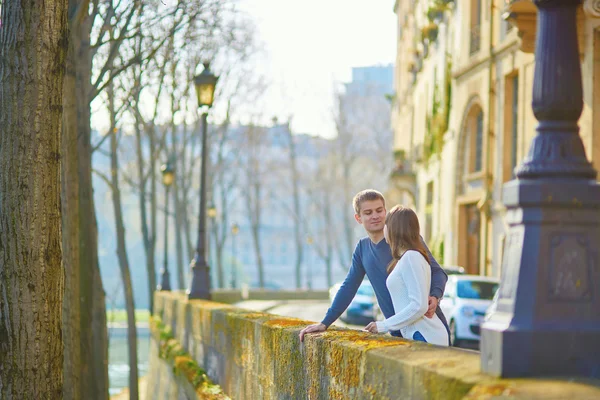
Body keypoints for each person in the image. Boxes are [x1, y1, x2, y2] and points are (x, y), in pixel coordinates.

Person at [299, 189, 449, 342]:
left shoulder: (406, 240)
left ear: (385, 211)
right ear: (358, 218)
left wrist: (435, 295)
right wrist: (325, 323)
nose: (375, 216)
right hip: (398, 331)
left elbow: (438, 272)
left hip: (426, 328)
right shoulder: (362, 249)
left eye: (379, 210)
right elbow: (349, 287)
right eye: (368, 212)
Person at [363, 206, 449, 346]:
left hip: (424, 335)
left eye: (386, 224)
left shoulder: (411, 257)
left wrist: (384, 325)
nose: (383, 228)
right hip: (418, 335)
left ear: (394, 228)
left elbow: (419, 306)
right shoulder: (406, 258)